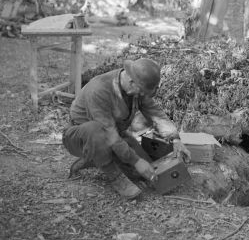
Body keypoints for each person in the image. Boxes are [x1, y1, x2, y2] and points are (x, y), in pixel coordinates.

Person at [62, 58, 191, 200]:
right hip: (81, 137)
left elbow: (155, 112)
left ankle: (94, 159)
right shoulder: (99, 90)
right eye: (141, 92)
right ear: (131, 82)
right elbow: (109, 134)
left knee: (143, 172)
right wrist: (136, 161)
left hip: (114, 134)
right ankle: (114, 176)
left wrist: (175, 139)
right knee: (96, 131)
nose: (142, 95)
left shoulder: (137, 86)